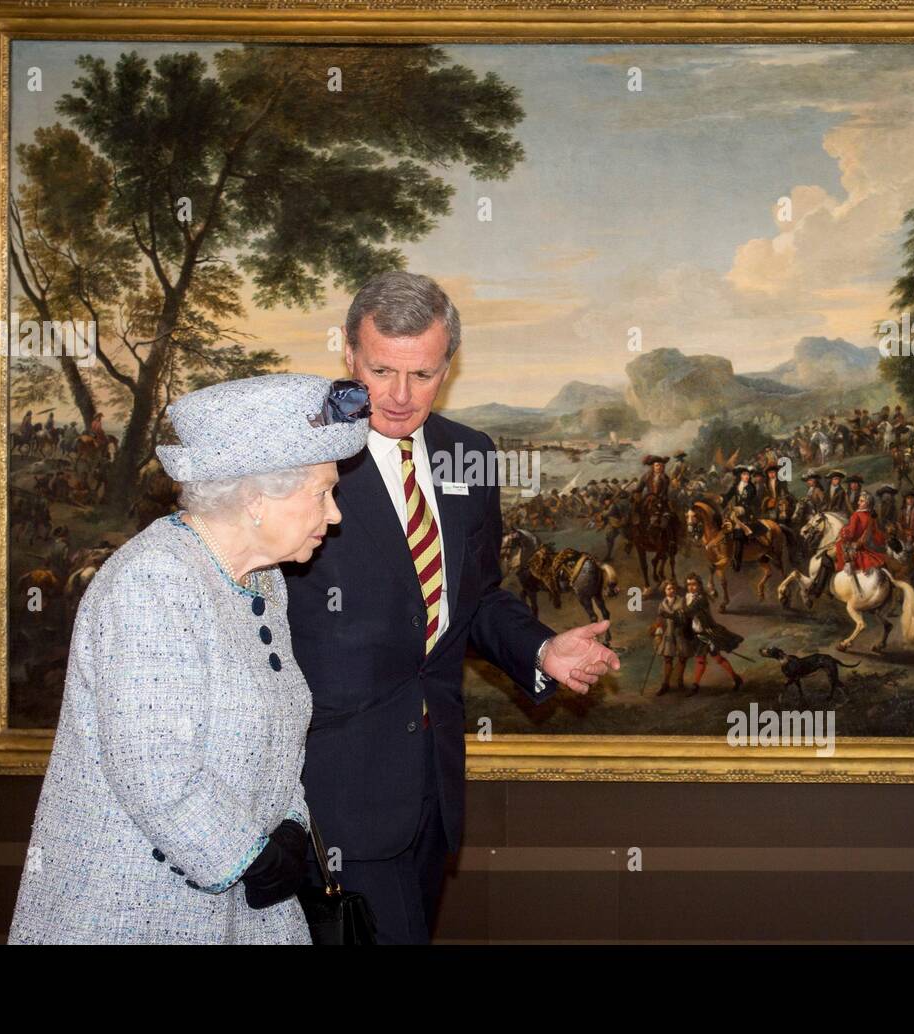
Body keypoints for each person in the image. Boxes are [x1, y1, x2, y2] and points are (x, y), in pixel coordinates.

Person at [282, 272, 619, 944]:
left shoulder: (471, 454)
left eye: (424, 374)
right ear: (349, 354)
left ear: (449, 365)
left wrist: (542, 650)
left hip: (434, 787)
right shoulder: (300, 454)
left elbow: (480, 595)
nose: (401, 396)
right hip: (333, 793)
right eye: (381, 370)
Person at [9, 373, 370, 944]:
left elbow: (276, 733)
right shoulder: (153, 580)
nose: (335, 515)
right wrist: (252, 856)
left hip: (242, 910)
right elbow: (153, 770)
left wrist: (292, 826)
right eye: (322, 492)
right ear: (256, 497)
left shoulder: (262, 580)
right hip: (137, 906)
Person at [681, 574, 744, 694]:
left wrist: (674, 614)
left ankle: (736, 678)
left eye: (694, 584)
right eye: (688, 584)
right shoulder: (686, 597)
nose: (691, 587)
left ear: (699, 585)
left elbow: (688, 612)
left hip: (708, 633)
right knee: (700, 659)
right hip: (697, 634)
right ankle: (695, 686)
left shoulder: (701, 599)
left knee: (718, 658)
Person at [834, 491, 889, 574]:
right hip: (864, 546)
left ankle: (841, 571)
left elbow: (851, 534)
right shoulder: (871, 517)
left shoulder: (856, 515)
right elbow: (876, 534)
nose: (858, 502)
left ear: (867, 503)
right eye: (859, 500)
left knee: (837, 546)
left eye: (861, 501)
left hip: (853, 545)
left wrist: (843, 531)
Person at [651, 579, 688, 696]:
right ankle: (665, 684)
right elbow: (659, 621)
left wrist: (674, 616)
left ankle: (680, 682)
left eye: (673, 588)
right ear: (664, 591)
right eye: (668, 589)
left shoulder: (682, 601)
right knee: (668, 658)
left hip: (680, 633)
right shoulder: (662, 604)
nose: (671, 590)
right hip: (668, 633)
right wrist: (658, 633)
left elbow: (685, 618)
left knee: (682, 657)